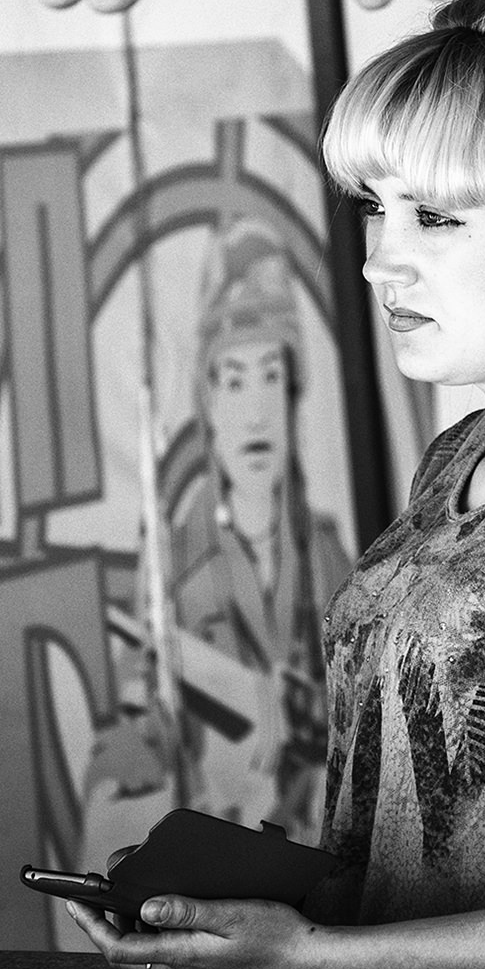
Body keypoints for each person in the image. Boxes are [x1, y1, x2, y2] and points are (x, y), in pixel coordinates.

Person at [66, 0, 485, 969]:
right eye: (376, 209)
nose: (379, 262)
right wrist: (263, 914)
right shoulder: (460, 455)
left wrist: (317, 961)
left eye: (436, 217)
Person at [80, 224, 351, 861]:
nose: (255, 412)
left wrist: (302, 719)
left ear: (292, 399)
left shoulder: (334, 559)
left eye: (269, 376)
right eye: (232, 380)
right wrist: (173, 809)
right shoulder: (171, 568)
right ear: (209, 404)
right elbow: (116, 767)